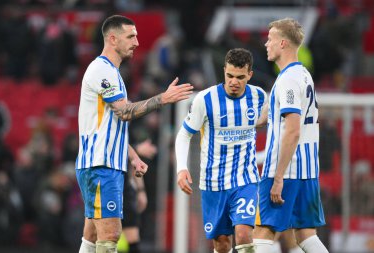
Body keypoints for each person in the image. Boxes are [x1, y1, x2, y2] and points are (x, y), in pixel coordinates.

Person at [76, 15, 193, 253]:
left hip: (106, 164)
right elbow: (125, 112)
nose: (137, 42)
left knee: (91, 235)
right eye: (131, 36)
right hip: (100, 165)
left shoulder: (113, 72)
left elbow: (111, 125)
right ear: (112, 38)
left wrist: (132, 156)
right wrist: (163, 98)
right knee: (110, 234)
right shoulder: (102, 70)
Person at [175, 48, 267, 253]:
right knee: (222, 243)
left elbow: (273, 123)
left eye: (240, 77)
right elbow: (184, 134)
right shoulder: (205, 100)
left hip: (245, 180)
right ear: (224, 70)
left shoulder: (259, 97)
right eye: (230, 75)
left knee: (243, 235)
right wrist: (181, 168)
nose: (234, 81)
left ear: (250, 75)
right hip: (213, 183)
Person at [253, 18, 328, 253]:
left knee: (262, 233)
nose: (266, 44)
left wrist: (278, 177)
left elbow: (293, 130)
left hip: (287, 169)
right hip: (307, 169)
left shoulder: (287, 80)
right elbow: (268, 118)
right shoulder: (303, 75)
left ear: (283, 43)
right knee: (306, 235)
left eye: (270, 39)